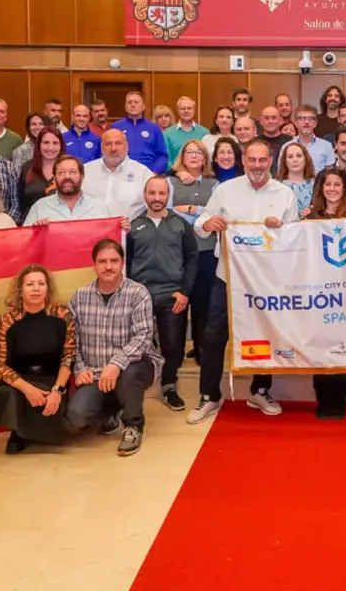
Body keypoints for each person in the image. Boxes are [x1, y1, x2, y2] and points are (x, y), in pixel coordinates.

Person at [191, 139, 299, 424]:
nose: (257, 166)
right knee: (214, 336)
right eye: (252, 160)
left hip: (266, 280)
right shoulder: (225, 190)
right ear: (244, 161)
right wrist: (208, 224)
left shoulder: (285, 194)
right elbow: (201, 221)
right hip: (227, 276)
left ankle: (260, 391)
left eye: (262, 160)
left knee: (264, 333)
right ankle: (209, 395)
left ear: (271, 161)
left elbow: (296, 236)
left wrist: (280, 230)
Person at [65, 239, 160, 457]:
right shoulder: (79, 297)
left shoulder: (138, 293)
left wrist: (116, 364)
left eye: (114, 261)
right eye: (102, 261)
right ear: (94, 265)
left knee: (129, 374)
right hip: (95, 372)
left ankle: (133, 425)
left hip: (135, 366)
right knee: (76, 417)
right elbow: (72, 339)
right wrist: (79, 368)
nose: (108, 267)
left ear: (122, 263)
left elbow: (143, 336)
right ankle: (113, 408)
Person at [126, 177, 198, 413]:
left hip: (172, 295)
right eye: (152, 193)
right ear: (145, 195)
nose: (157, 198)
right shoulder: (133, 226)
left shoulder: (181, 225)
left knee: (173, 345)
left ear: (168, 196)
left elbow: (192, 260)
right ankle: (134, 387)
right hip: (140, 296)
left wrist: (185, 293)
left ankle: (169, 386)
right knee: (139, 344)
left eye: (161, 194)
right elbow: (126, 263)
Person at [0, 265, 75, 455]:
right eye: (30, 284)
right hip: (20, 382)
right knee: (6, 396)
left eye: (41, 284)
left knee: (56, 427)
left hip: (51, 380)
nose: (36, 289)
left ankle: (34, 429)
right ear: (20, 290)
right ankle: (18, 433)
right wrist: (28, 390)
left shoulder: (62, 315)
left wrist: (57, 391)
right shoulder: (7, 321)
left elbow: (68, 358)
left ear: (47, 288)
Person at [305, 168, 346, 420]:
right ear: (321, 188)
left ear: (345, 188)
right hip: (319, 292)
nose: (332, 189)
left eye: (337, 184)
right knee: (321, 344)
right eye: (327, 184)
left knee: (343, 345)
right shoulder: (310, 218)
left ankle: (340, 396)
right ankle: (322, 396)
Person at [168, 140, 220, 364]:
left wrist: (189, 209)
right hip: (177, 252)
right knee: (177, 304)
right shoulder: (171, 182)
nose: (194, 156)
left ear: (205, 158)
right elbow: (167, 211)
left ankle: (201, 351)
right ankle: (174, 355)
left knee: (203, 304)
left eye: (199, 152)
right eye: (189, 152)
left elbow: (215, 213)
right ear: (183, 156)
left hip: (206, 251)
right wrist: (200, 216)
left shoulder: (214, 185)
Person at [81, 128, 151, 219]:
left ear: (127, 146)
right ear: (101, 147)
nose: (113, 149)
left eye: (118, 143)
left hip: (130, 227)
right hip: (91, 227)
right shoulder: (85, 171)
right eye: (108, 144)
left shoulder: (143, 174)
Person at [23, 155, 112, 224]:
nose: (67, 177)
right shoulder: (39, 208)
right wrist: (36, 231)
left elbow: (109, 239)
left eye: (72, 172)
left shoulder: (99, 208)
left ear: (82, 177)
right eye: (61, 173)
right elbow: (26, 239)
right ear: (54, 179)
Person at [110, 91, 168, 174]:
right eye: (129, 102)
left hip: (148, 173)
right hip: (121, 173)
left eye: (136, 102)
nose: (133, 105)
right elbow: (107, 151)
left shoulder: (153, 128)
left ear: (143, 107)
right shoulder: (116, 127)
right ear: (125, 107)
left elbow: (162, 156)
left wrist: (154, 172)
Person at [18, 127, 64, 221]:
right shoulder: (27, 168)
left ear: (61, 146)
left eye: (55, 143)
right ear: (39, 145)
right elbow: (20, 201)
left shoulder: (68, 169)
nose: (50, 148)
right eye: (46, 143)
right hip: (31, 223)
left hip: (60, 223)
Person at [282, 105, 335, 171]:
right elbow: (282, 174)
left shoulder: (326, 146)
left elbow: (330, 174)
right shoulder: (286, 147)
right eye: (302, 118)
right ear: (295, 123)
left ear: (315, 123)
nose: (306, 122)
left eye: (310, 118)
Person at [162, 96, 208, 166]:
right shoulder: (167, 134)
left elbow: (207, 158)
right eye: (183, 108)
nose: (186, 111)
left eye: (189, 108)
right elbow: (166, 159)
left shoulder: (204, 133)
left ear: (194, 110)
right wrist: (176, 171)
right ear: (178, 111)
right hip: (175, 172)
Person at [277, 141, 318, 217]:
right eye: (290, 157)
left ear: (306, 159)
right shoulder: (276, 185)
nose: (295, 160)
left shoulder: (316, 184)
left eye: (299, 156)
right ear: (285, 161)